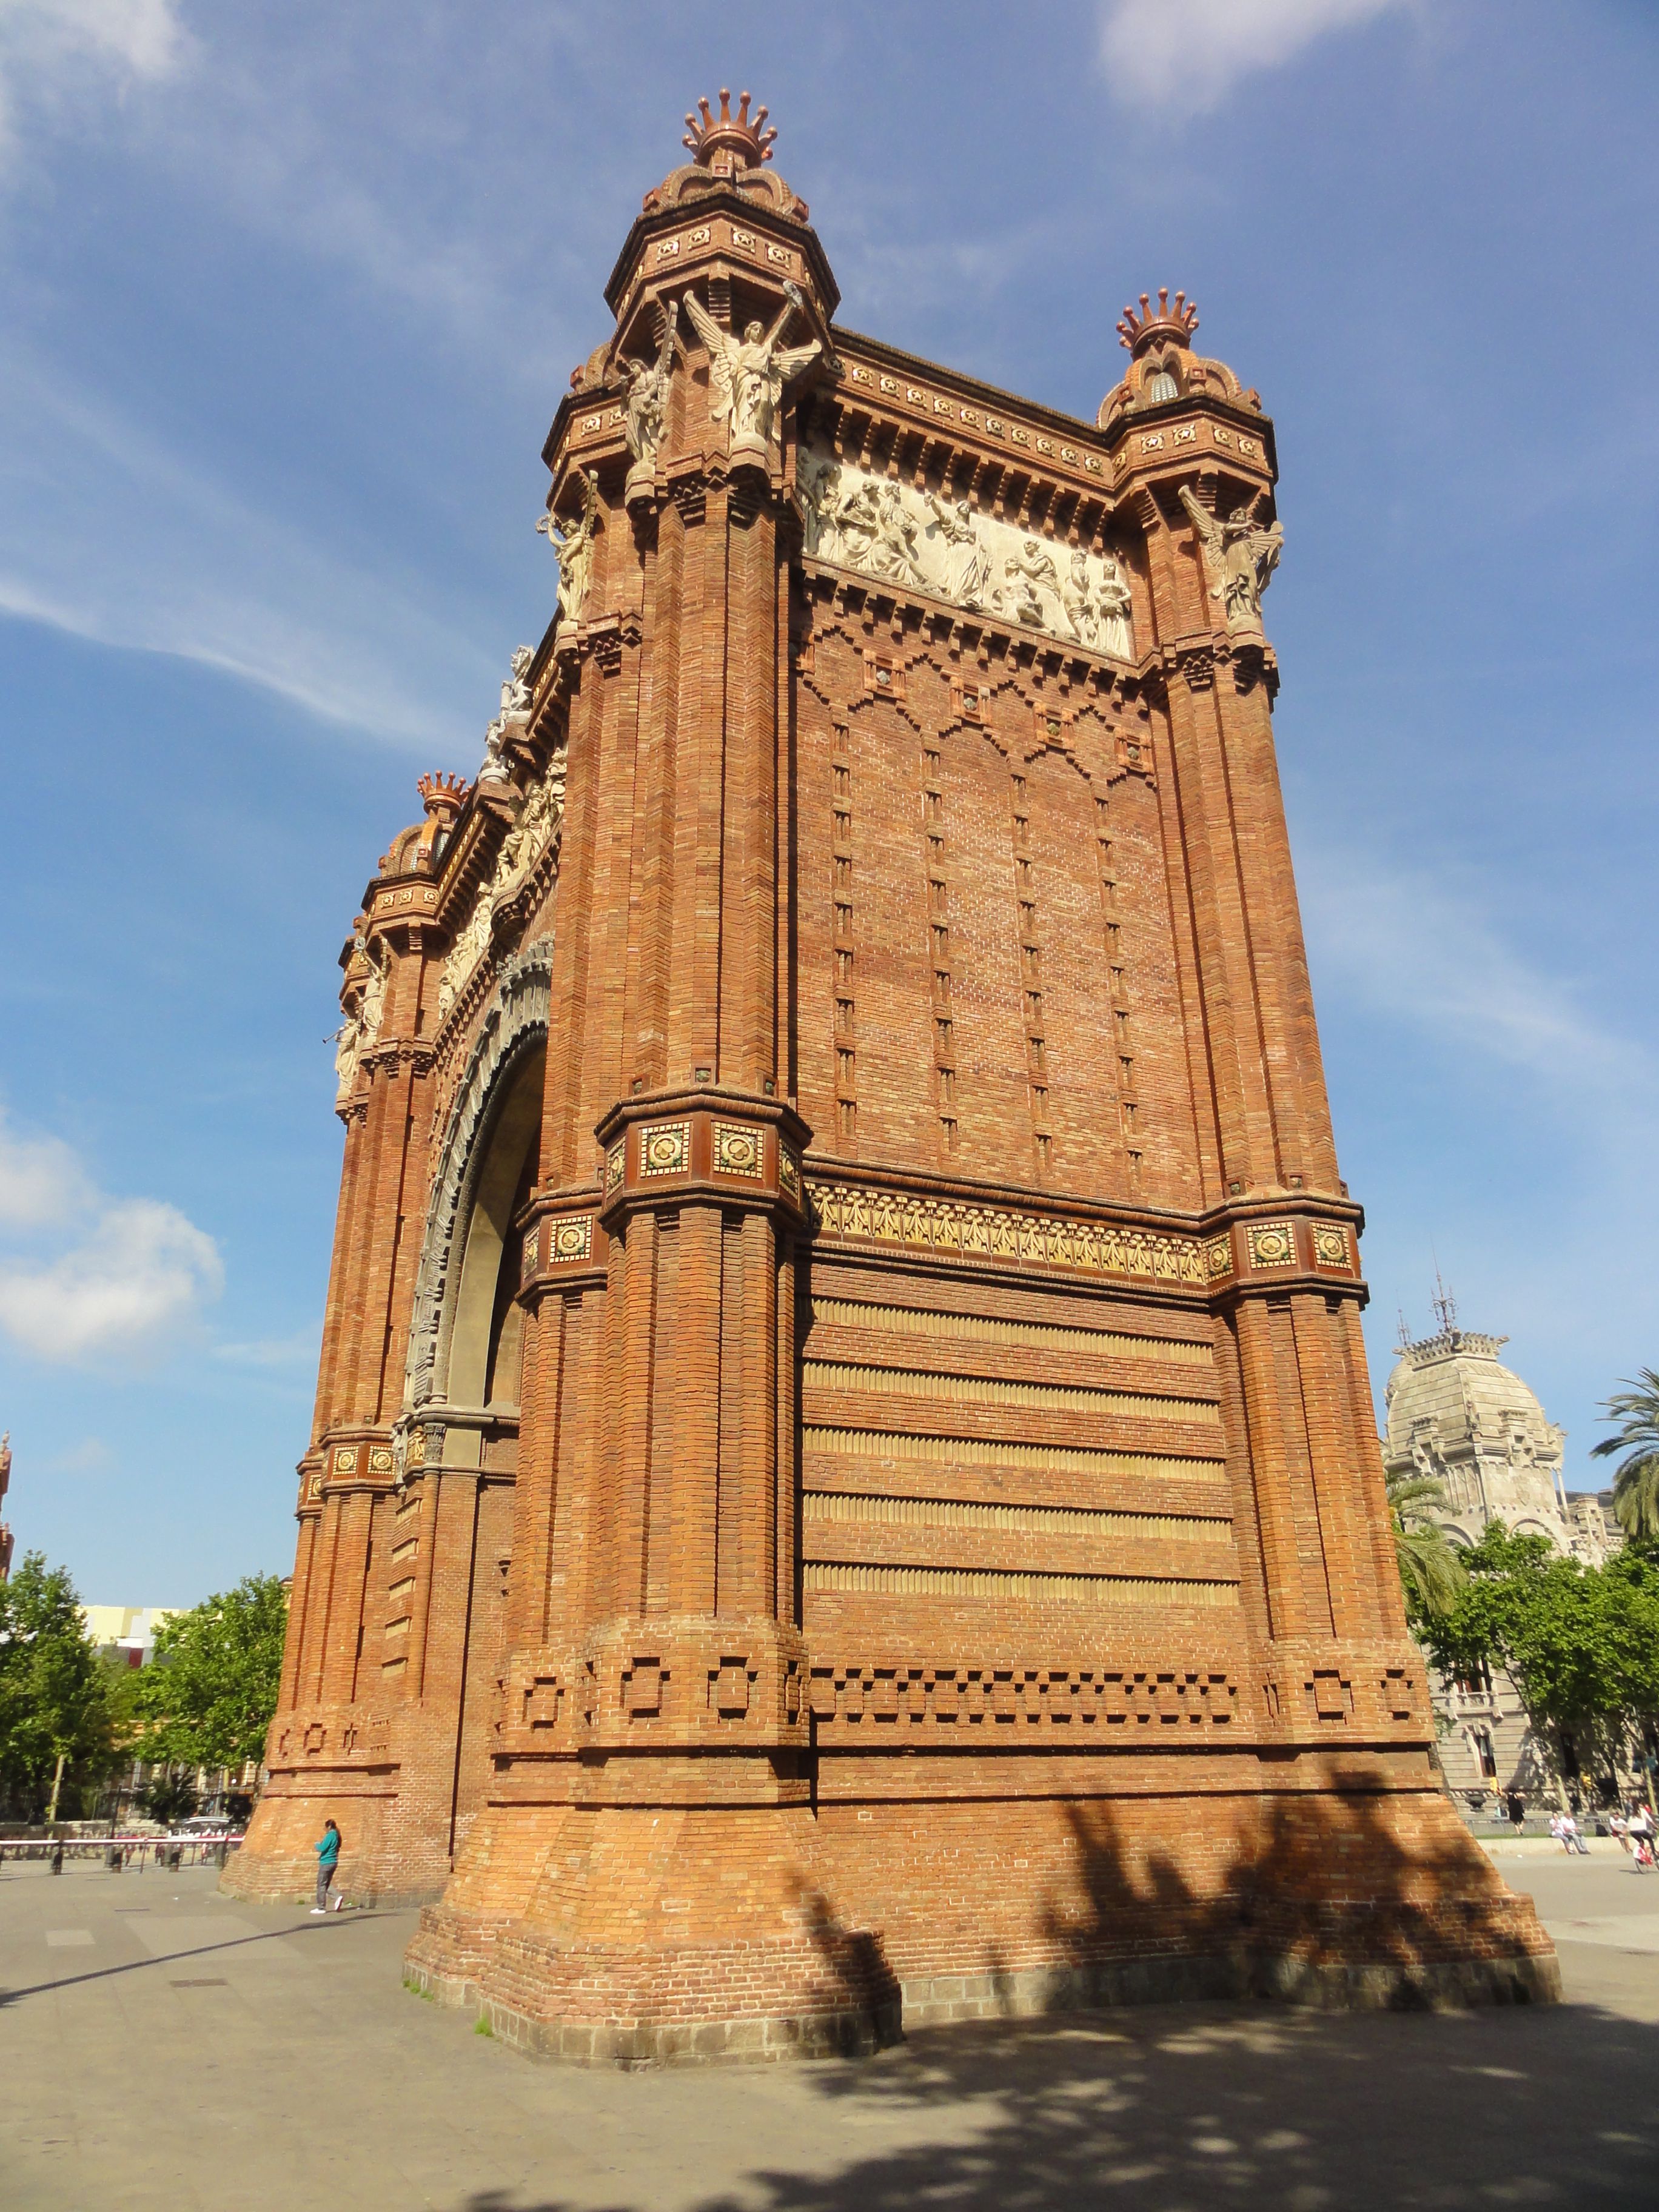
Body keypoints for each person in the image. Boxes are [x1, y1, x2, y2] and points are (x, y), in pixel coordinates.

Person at [312, 1818, 342, 1914]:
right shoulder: (337, 1836)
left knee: (321, 1884)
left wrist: (317, 1845)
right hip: (333, 1862)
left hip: (326, 1863)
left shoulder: (330, 1836)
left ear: (329, 1827)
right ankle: (337, 1897)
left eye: (325, 1828)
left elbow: (323, 1848)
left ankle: (321, 1907)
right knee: (326, 1884)